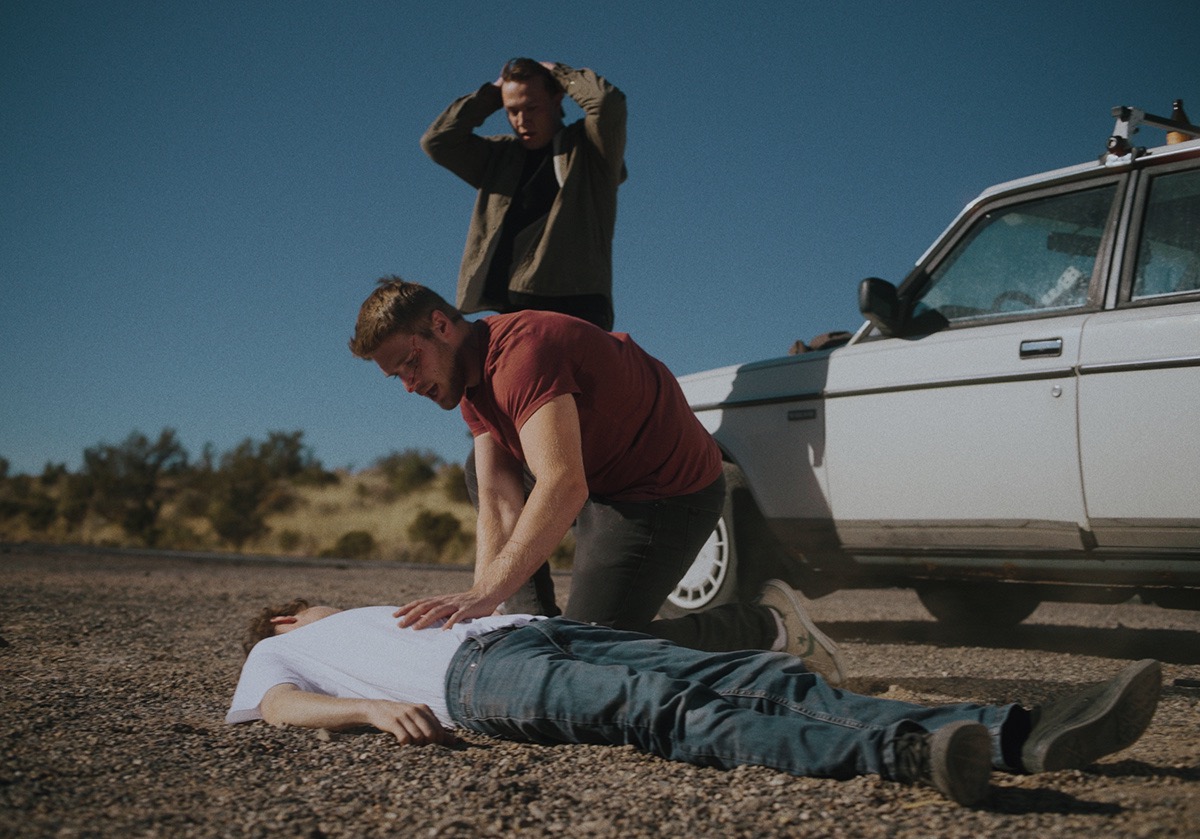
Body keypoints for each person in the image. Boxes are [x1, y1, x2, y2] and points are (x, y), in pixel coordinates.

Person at [348, 278, 846, 684]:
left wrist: (487, 590)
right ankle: (529, 635)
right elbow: (498, 496)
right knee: (479, 472)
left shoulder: (521, 355)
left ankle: (765, 624)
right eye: (397, 377)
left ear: (440, 325)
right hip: (599, 476)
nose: (409, 385)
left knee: (590, 655)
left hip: (664, 492)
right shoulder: (469, 380)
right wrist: (482, 603)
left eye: (411, 362)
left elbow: (563, 485)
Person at [228, 600, 1163, 808]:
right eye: (306, 604)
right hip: (478, 683)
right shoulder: (283, 644)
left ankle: (1016, 732)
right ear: (280, 618)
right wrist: (363, 712)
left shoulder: (369, 612)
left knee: (751, 674)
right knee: (667, 709)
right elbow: (274, 706)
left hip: (537, 632)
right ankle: (913, 754)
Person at [421, 58, 626, 331]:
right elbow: (438, 141)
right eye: (512, 111)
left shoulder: (589, 150)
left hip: (575, 305)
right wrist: (492, 94)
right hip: (509, 310)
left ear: (556, 99)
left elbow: (607, 104)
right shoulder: (500, 157)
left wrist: (559, 73)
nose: (521, 120)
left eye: (531, 107)